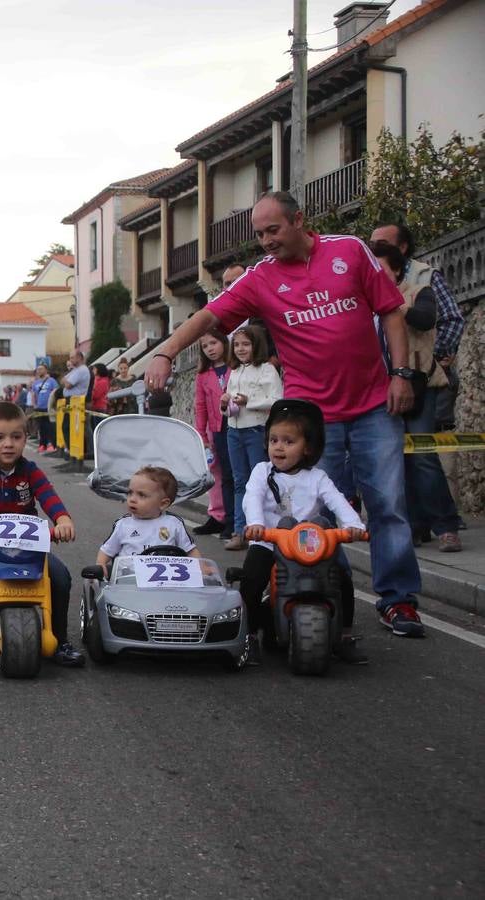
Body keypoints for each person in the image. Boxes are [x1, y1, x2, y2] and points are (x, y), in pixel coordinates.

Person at [144, 191, 423, 637]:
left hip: (374, 404)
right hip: (312, 415)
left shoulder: (349, 251)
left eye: (273, 230)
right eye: (259, 235)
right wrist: (165, 353)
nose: (266, 241)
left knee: (388, 505)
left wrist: (402, 374)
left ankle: (399, 602)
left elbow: (390, 312)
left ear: (299, 220)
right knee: (312, 512)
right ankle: (323, 595)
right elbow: (209, 316)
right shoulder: (261, 278)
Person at [0, 402, 83, 668]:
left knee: (60, 577)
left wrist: (63, 520)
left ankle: (60, 639)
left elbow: (49, 497)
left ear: (26, 438)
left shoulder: (30, 471)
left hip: (28, 546)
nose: (8, 444)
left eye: (16, 437)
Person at [239, 400, 367, 666]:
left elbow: (337, 501)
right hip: (270, 541)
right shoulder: (262, 472)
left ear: (307, 447)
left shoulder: (317, 477)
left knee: (342, 578)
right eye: (273, 439)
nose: (278, 446)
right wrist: (255, 524)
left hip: (309, 544)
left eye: (288, 441)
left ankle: (344, 635)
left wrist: (354, 525)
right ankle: (248, 637)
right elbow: (252, 497)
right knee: (251, 579)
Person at [370, 224, 464, 553]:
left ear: (399, 257)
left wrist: (438, 359)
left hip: (420, 384)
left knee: (422, 455)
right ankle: (414, 526)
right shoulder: (363, 296)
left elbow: (435, 319)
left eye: (379, 253)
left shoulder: (421, 284)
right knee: (395, 459)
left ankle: (446, 525)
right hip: (379, 389)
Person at [221, 324, 282, 551]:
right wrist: (224, 404)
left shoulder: (266, 369)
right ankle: (240, 531)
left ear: (256, 345)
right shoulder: (235, 371)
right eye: (236, 345)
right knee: (239, 481)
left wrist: (250, 402)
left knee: (259, 482)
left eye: (245, 344)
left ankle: (261, 530)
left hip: (256, 430)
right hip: (234, 430)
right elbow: (229, 408)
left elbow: (277, 399)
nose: (240, 349)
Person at [96, 466, 201, 574]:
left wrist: (201, 567)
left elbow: (190, 550)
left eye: (141, 495)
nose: (132, 499)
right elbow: (107, 550)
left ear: (163, 503)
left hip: (167, 581)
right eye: (130, 493)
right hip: (129, 582)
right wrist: (101, 564)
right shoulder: (123, 525)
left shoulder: (173, 524)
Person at [193, 327, 234, 539]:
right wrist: (202, 433)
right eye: (205, 346)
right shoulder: (203, 375)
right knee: (216, 472)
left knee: (233, 474)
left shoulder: (235, 369)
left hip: (236, 425)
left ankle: (235, 519)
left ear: (224, 343)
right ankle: (218, 515)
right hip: (215, 429)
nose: (210, 349)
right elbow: (200, 405)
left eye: (213, 343)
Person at [30, 365, 58, 450]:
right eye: (38, 369)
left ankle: (51, 443)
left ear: (46, 370)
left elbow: (56, 392)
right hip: (39, 408)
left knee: (50, 426)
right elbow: (33, 394)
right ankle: (43, 444)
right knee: (41, 427)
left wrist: (54, 405)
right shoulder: (35, 382)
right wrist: (34, 404)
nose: (39, 371)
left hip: (49, 407)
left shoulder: (52, 381)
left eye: (41, 369)